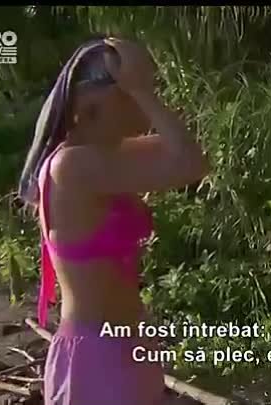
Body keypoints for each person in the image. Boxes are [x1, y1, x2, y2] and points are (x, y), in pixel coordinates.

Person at [17, 37, 208, 405]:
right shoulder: (71, 166)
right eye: (130, 92)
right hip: (95, 356)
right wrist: (141, 90)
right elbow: (188, 162)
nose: (144, 99)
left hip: (126, 345)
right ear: (91, 104)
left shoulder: (105, 154)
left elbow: (190, 156)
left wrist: (138, 87)